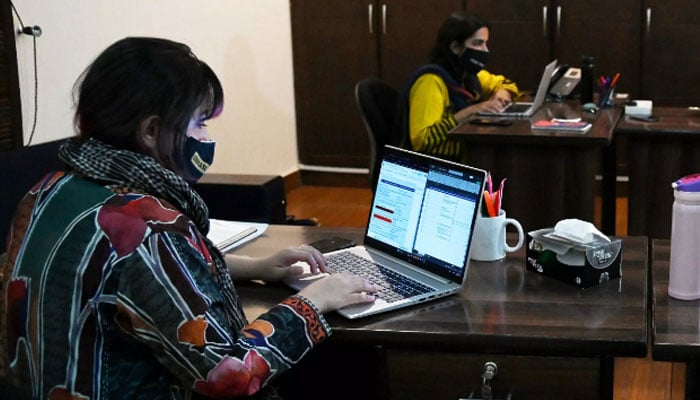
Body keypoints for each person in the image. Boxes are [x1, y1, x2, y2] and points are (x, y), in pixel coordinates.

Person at [0, 37, 377, 400]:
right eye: (199, 123)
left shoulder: (48, 189)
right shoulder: (146, 228)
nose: (206, 137)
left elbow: (123, 277)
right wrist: (315, 300)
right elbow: (225, 376)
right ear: (151, 131)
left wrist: (255, 266)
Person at [396, 12, 521, 161]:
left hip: (465, 156)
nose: (485, 50)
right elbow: (422, 142)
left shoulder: (468, 75)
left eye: (486, 43)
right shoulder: (430, 81)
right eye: (478, 43)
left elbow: (505, 83)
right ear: (455, 47)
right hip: (435, 167)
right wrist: (471, 111)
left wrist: (502, 93)